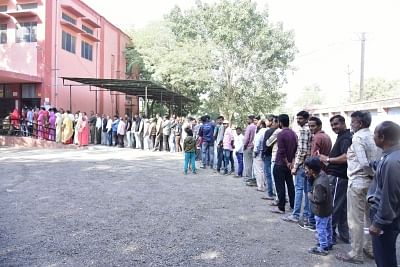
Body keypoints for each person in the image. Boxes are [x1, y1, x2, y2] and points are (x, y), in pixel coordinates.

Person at [336, 111, 379, 264]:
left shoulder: (358, 137)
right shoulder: (373, 136)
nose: (350, 125)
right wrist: (374, 176)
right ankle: (369, 248)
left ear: (359, 123)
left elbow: (364, 163)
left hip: (358, 182)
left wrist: (369, 174)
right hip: (372, 184)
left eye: (352, 122)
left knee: (355, 220)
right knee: (369, 218)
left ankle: (356, 253)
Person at [367, 121, 400, 267]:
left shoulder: (392, 162)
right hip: (391, 217)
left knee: (384, 258)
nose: (372, 136)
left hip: (386, 219)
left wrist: (378, 223)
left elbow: (389, 196)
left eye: (374, 133)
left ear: (382, 137)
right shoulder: (390, 156)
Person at [319, 115, 352, 244]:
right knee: (342, 207)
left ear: (343, 123)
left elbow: (346, 157)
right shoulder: (343, 136)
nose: (334, 127)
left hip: (338, 177)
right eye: (332, 125)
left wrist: (327, 159)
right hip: (340, 176)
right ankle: (344, 235)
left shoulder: (345, 137)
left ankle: (329, 237)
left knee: (333, 207)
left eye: (336, 124)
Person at [284, 111, 312, 225]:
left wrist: (295, 167)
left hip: (302, 165)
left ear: (306, 119)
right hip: (307, 165)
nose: (298, 120)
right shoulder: (309, 129)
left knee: (299, 189)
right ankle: (306, 215)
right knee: (306, 191)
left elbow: (302, 151)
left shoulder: (305, 130)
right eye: (297, 118)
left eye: (300, 118)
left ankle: (296, 215)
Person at [270, 114, 297, 214]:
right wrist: (291, 162)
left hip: (281, 163)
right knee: (290, 185)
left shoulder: (281, 134)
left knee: (280, 186)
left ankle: (281, 207)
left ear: (280, 122)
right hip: (290, 163)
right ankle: (293, 205)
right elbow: (295, 149)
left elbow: (281, 151)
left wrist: (287, 162)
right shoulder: (293, 133)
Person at [305, 157, 333, 256]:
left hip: (321, 211)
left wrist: (310, 196)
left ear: (312, 170)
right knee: (328, 228)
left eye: (307, 169)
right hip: (328, 209)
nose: (306, 171)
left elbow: (319, 199)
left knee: (321, 229)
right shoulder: (322, 174)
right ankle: (329, 243)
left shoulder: (319, 184)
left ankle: (323, 247)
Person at [262, 115, 278, 200]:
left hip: (268, 155)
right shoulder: (279, 131)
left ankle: (270, 193)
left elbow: (266, 144)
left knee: (269, 175)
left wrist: (263, 153)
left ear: (271, 121)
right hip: (275, 155)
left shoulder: (269, 131)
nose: (266, 122)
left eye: (267, 121)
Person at [253, 119, 267, 191]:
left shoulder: (260, 132)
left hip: (258, 152)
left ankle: (260, 186)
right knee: (263, 169)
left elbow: (257, 142)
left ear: (261, 125)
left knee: (258, 169)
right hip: (265, 152)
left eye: (258, 124)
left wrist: (255, 151)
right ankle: (264, 184)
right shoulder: (267, 130)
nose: (256, 125)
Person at [243, 115, 257, 186]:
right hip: (254, 147)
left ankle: (249, 178)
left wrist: (244, 146)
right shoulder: (256, 126)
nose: (247, 120)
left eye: (248, 119)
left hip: (248, 147)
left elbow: (246, 138)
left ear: (251, 120)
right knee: (254, 164)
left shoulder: (249, 127)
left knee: (248, 164)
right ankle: (254, 178)